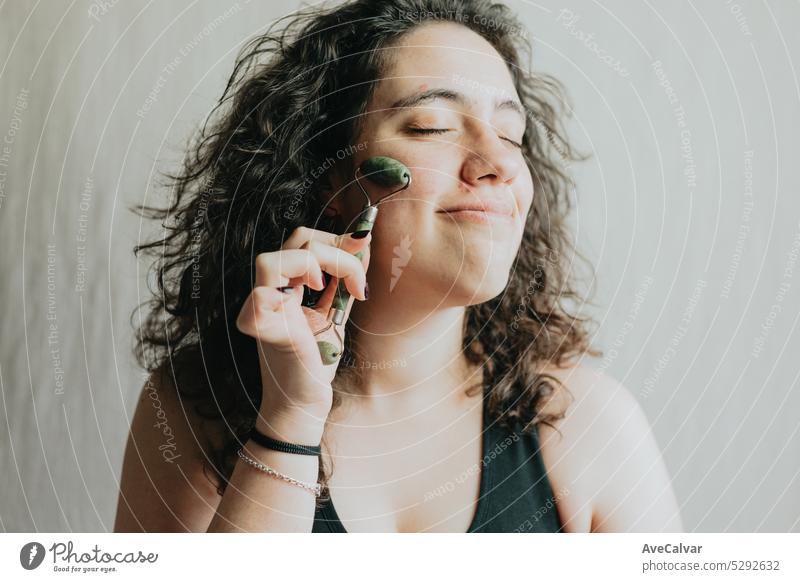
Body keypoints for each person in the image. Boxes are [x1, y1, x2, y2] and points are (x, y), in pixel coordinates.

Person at [115, 0, 683, 533]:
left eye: (513, 135)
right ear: (331, 176)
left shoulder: (589, 426)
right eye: (432, 124)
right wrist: (288, 422)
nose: (499, 163)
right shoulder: (193, 410)